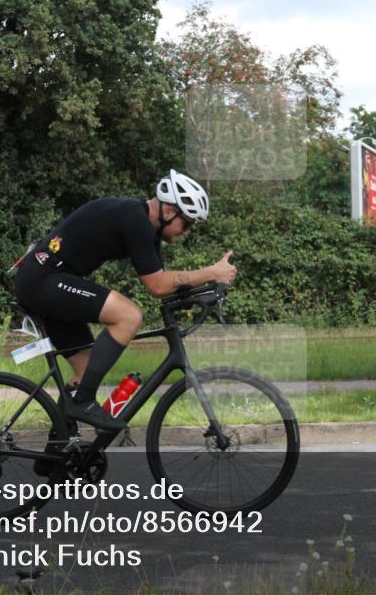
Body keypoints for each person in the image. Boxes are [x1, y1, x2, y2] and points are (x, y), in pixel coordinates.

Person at [13, 169, 236, 431]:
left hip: (47, 280)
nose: (187, 231)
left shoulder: (146, 228)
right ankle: (83, 401)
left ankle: (57, 451)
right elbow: (158, 285)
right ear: (168, 212)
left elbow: (163, 283)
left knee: (86, 369)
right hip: (43, 279)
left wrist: (206, 289)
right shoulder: (135, 220)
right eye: (187, 223)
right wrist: (212, 272)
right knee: (129, 316)